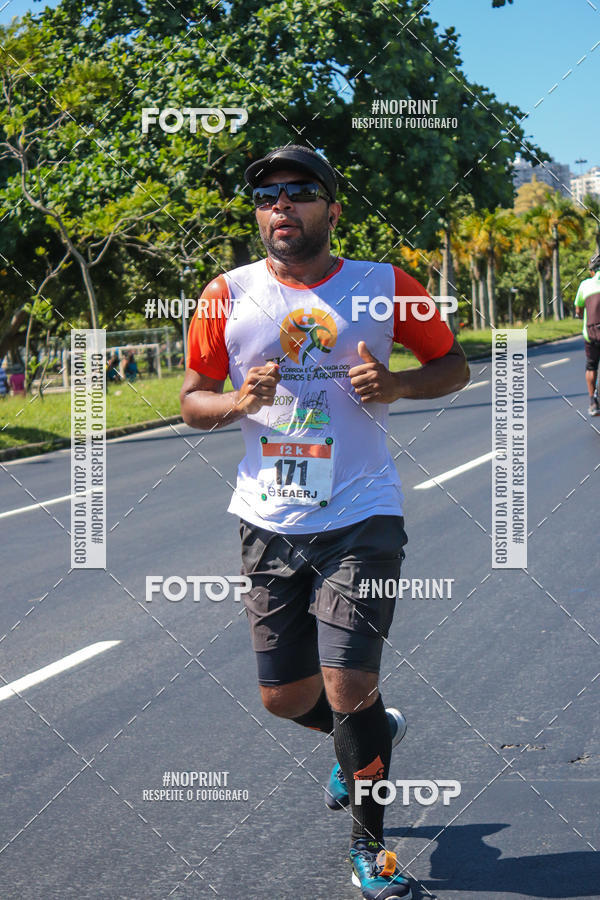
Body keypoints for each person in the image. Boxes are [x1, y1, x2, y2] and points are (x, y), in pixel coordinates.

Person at [180, 145, 470, 900]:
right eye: (266, 195)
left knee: (349, 682)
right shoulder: (225, 295)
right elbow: (192, 400)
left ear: (332, 209)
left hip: (361, 513)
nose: (281, 204)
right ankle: (365, 735)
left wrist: (399, 384)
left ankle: (371, 854)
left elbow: (455, 366)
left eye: (300, 190)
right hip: (268, 518)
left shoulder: (386, 285)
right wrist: (236, 402)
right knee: (283, 696)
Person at [574, 253, 600, 416]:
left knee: (591, 366)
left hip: (591, 334)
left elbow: (578, 309)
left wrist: (579, 314)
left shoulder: (585, 285)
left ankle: (593, 402)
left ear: (591, 271)